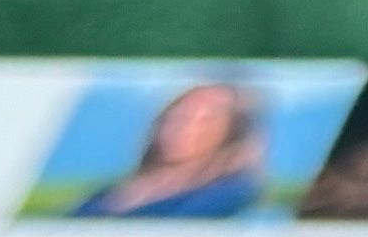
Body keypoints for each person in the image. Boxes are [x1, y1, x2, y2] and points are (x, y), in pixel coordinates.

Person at [73, 80, 278, 221]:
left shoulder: (227, 196)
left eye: (206, 119)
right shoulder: (112, 190)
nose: (183, 126)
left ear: (231, 132)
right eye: (179, 114)